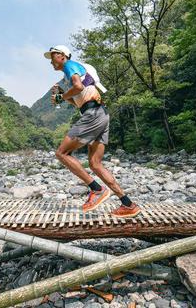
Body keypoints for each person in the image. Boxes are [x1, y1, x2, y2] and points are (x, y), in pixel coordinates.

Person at [44, 45, 141, 218]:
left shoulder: (69, 65)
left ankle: (96, 189)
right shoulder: (73, 74)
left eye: (52, 57)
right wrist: (64, 96)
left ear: (61, 56)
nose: (51, 61)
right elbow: (78, 102)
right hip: (102, 114)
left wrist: (61, 96)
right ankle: (128, 204)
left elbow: (79, 87)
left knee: (61, 153)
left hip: (93, 114)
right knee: (95, 163)